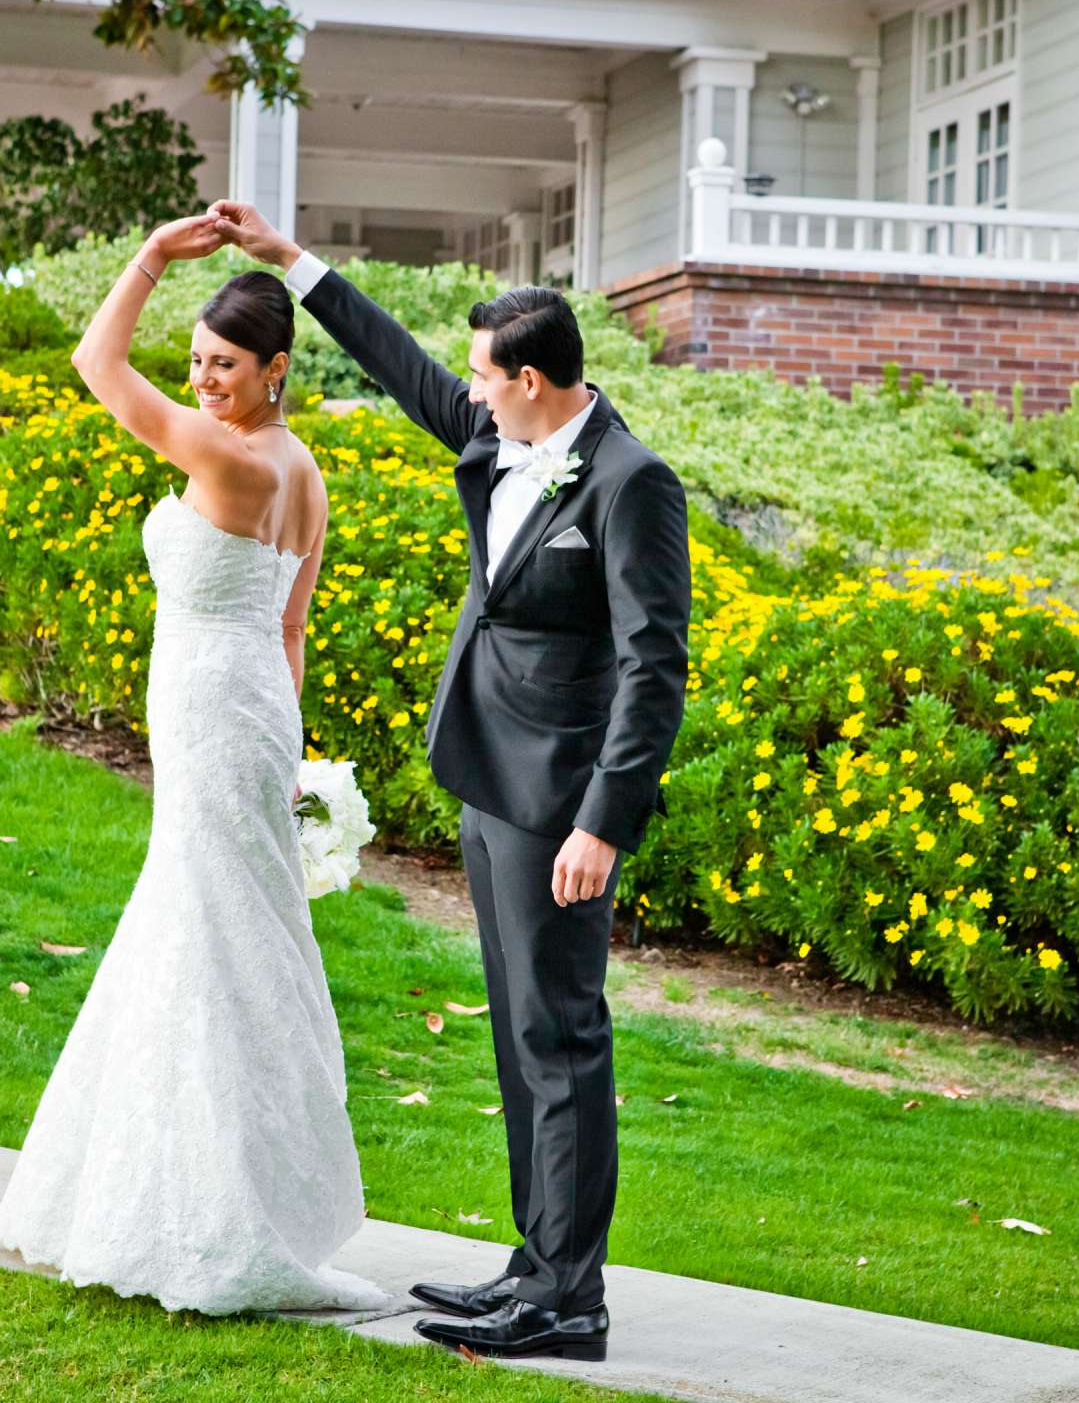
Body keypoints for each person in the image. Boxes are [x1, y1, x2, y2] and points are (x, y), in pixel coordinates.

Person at [212, 197, 691, 1363]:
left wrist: (602, 822)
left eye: (486, 375)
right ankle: (535, 1265)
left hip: (560, 806)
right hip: (490, 785)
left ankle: (571, 1299)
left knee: (561, 1035)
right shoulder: (497, 438)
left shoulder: (632, 484)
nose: (468, 389)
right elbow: (402, 366)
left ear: (532, 379)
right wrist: (292, 262)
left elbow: (654, 667)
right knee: (523, 1038)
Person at [0, 212, 391, 1316]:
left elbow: (93, 363)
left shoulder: (223, 455)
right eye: (197, 363)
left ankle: (209, 1210)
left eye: (224, 364)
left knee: (206, 930)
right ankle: (194, 1184)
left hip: (217, 711)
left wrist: (156, 259)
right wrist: (286, 745)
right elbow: (294, 628)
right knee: (220, 922)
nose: (205, 381)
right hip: (251, 708)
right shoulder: (303, 469)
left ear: (276, 369)